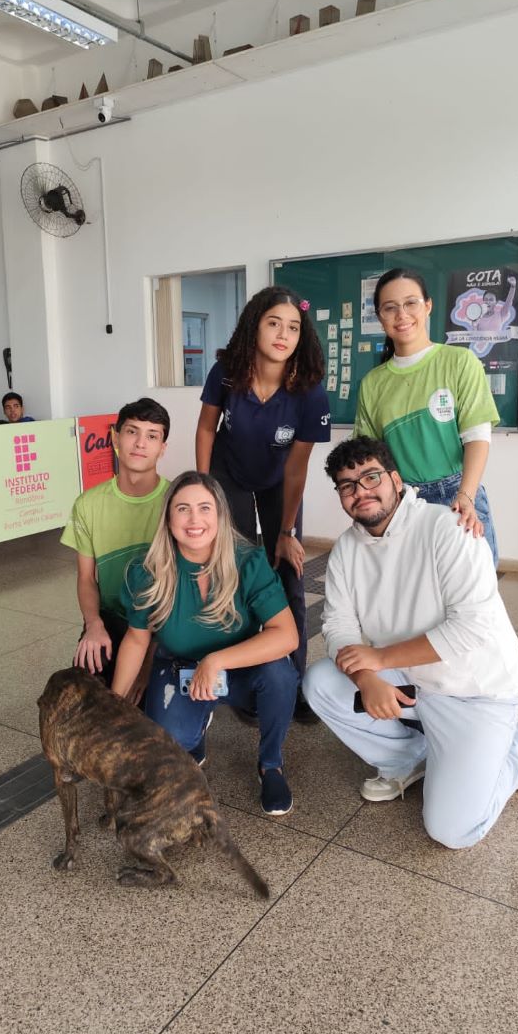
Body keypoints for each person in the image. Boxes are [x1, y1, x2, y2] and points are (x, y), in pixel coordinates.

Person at [302, 436, 518, 850]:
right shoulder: (346, 550)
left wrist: (379, 658)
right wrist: (366, 679)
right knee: (320, 683)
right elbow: (337, 625)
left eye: (370, 477)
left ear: (396, 480)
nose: (360, 491)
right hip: (410, 681)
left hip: (474, 692)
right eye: (347, 486)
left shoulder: (447, 529)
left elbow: (471, 627)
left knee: (452, 831)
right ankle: (407, 759)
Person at [111, 470, 300, 816]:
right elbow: (137, 641)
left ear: (220, 516)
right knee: (170, 747)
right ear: (168, 519)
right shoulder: (146, 571)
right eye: (183, 509)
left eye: (204, 508)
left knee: (281, 674)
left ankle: (271, 764)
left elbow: (287, 635)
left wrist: (215, 661)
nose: (194, 519)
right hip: (178, 668)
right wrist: (115, 706)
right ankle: (194, 735)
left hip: (241, 670)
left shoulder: (248, 562)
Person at [195, 285, 330, 721]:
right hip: (228, 475)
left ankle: (293, 683)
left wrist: (286, 533)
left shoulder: (309, 389)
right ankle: (243, 679)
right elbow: (205, 430)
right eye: (274, 323)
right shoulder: (227, 372)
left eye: (293, 327)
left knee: (286, 572)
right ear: (255, 326)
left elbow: (297, 468)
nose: (283, 334)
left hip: (278, 484)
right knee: (234, 573)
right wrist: (205, 491)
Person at [353, 268, 501, 566]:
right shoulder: (373, 382)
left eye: (411, 303)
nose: (402, 315)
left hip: (458, 498)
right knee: (413, 599)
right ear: (380, 316)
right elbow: (368, 457)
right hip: (403, 502)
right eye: (390, 308)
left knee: (473, 599)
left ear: (428, 306)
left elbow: (477, 437)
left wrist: (466, 496)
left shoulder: (460, 362)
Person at [60, 397, 170, 684]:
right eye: (132, 431)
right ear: (115, 438)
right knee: (86, 698)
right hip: (112, 618)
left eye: (152, 436)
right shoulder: (88, 505)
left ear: (162, 448)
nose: (140, 443)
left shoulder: (177, 502)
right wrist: (93, 624)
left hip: (165, 626)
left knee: (156, 718)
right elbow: (86, 577)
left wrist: (148, 662)